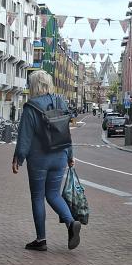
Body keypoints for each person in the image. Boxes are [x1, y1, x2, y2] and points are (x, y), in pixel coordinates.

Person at [12, 70, 81, 252]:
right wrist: (70, 155)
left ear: (34, 86)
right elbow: (65, 131)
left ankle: (41, 239)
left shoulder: (31, 107)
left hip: (39, 159)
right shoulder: (60, 102)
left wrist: (18, 158)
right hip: (60, 156)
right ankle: (71, 222)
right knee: (53, 194)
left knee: (37, 197)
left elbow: (25, 137)